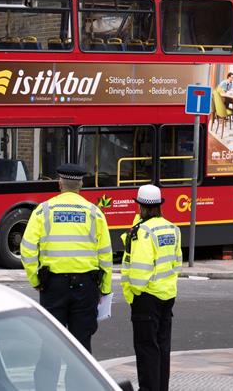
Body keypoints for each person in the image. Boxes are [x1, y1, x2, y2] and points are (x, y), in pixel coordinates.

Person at [20, 163, 113, 353]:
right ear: (81, 186)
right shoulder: (95, 213)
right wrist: (105, 288)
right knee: (82, 348)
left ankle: (46, 383)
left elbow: (27, 249)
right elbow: (105, 255)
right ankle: (79, 383)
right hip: (86, 288)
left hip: (53, 287)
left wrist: (35, 280)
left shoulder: (43, 211)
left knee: (51, 345)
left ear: (60, 184)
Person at [121, 185, 182, 391]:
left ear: (141, 206)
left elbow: (139, 271)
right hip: (167, 295)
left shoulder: (143, 232)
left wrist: (134, 293)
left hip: (146, 297)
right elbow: (177, 263)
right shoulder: (172, 228)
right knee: (162, 347)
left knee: (146, 348)